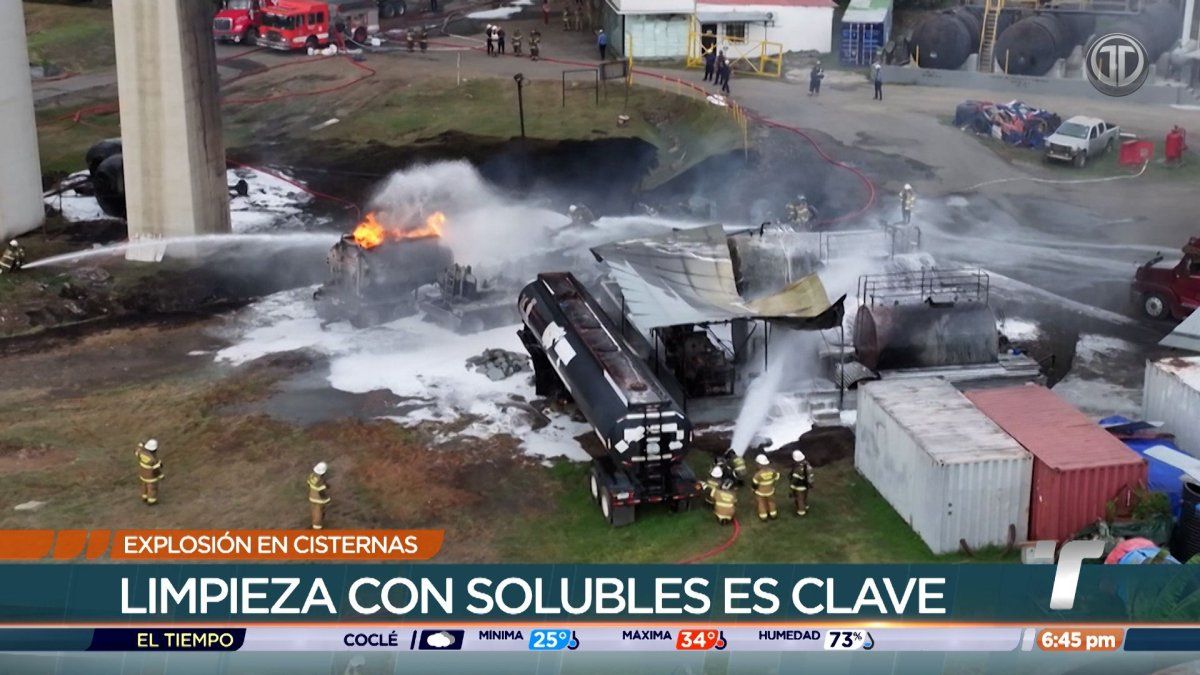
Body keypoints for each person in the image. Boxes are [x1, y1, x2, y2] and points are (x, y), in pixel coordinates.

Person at [751, 453, 779, 522]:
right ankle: (773, 514)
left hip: (760, 492)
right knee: (771, 502)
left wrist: (753, 489)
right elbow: (777, 477)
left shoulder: (758, 474)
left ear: (759, 464)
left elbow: (755, 483)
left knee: (761, 503)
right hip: (770, 491)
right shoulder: (772, 471)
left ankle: (763, 516)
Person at [136, 439, 163, 506]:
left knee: (144, 485)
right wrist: (160, 475)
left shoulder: (140, 452)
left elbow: (137, 450)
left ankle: (144, 496)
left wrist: (140, 445)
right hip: (151, 477)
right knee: (152, 488)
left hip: (142, 473)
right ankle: (151, 501)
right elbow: (156, 470)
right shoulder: (154, 460)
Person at [308, 462, 331, 530]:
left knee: (314, 511)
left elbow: (309, 484)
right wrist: (327, 499)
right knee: (318, 514)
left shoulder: (312, 476)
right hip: (319, 500)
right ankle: (317, 529)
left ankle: (314, 525)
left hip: (312, 497)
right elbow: (321, 491)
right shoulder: (320, 480)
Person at [789, 449, 812, 516]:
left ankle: (801, 512)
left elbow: (795, 479)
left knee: (800, 499)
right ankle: (806, 506)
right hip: (806, 485)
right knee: (805, 496)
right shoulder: (807, 464)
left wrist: (792, 487)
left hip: (799, 486)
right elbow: (811, 475)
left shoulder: (797, 469)